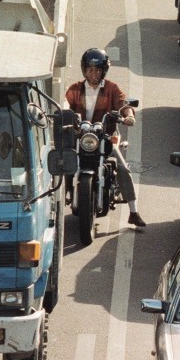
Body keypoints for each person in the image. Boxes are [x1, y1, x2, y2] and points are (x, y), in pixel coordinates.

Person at [64, 48, 146, 227]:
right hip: (81, 137)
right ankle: (55, 202)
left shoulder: (111, 88)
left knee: (123, 169)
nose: (93, 74)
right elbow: (65, 103)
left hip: (105, 137)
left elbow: (123, 103)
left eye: (97, 70)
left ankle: (133, 211)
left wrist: (129, 115)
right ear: (84, 70)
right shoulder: (76, 89)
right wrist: (62, 113)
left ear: (103, 71)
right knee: (61, 162)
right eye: (90, 70)